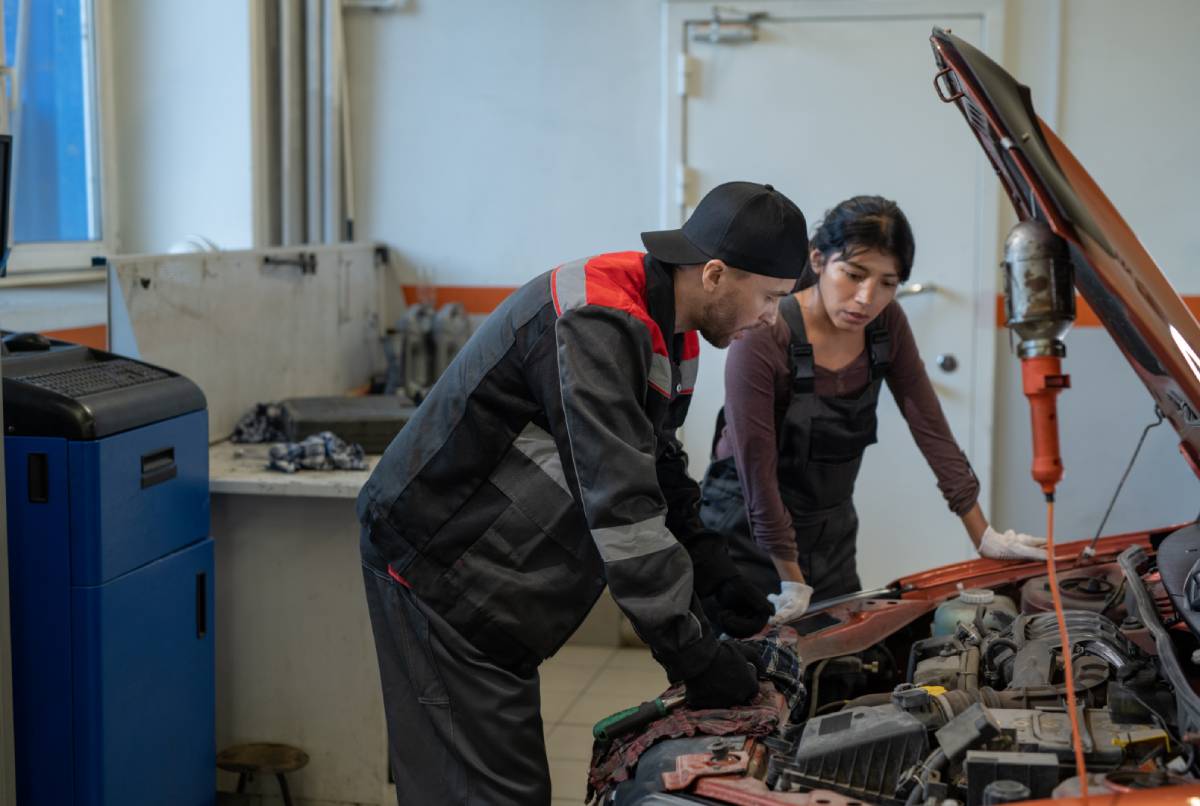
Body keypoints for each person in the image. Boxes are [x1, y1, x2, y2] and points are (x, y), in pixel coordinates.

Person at [357, 181, 808, 805]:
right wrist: (692, 656)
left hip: (493, 585)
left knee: (503, 785)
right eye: (770, 297)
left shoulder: (670, 325)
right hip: (436, 573)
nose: (770, 318)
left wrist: (716, 576)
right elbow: (621, 510)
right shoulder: (597, 319)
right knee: (482, 794)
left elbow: (658, 465)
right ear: (713, 274)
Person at [698, 195, 1047, 626]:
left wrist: (984, 534)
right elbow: (756, 470)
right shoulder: (767, 334)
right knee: (753, 678)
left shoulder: (887, 326)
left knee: (839, 672)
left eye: (888, 282)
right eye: (854, 274)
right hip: (747, 535)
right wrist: (791, 577)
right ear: (819, 260)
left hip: (832, 536)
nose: (867, 298)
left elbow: (930, 427)